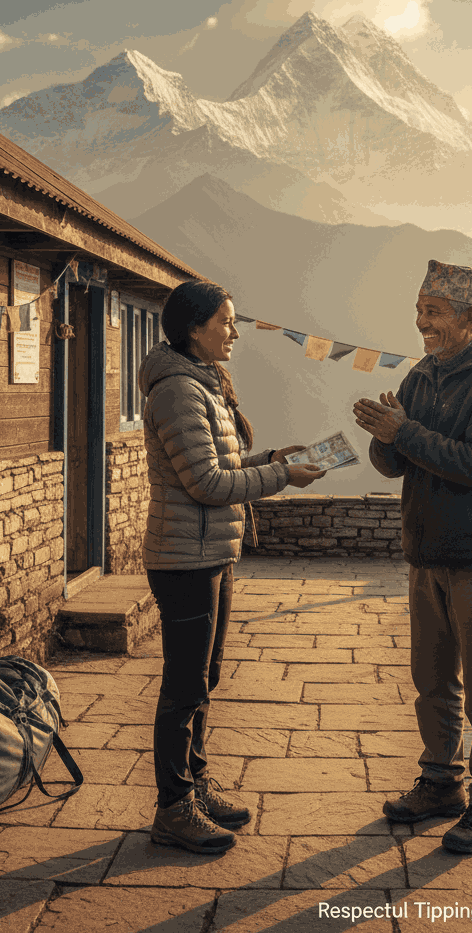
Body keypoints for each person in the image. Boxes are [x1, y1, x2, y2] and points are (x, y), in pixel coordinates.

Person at [139, 280, 326, 854]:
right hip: (185, 559)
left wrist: (269, 459)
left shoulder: (203, 386)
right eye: (227, 322)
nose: (236, 333)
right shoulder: (177, 391)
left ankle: (194, 781)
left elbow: (219, 462)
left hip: (212, 553)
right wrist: (281, 479)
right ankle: (172, 807)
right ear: (194, 329)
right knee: (183, 686)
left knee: (205, 679)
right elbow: (207, 483)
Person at [352, 259, 472, 855]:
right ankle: (440, 783)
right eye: (420, 309)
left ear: (471, 317)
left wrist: (403, 432)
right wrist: (385, 436)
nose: (422, 322)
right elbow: (398, 465)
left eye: (435, 312)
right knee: (432, 683)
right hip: (425, 553)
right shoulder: (420, 378)